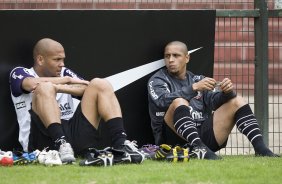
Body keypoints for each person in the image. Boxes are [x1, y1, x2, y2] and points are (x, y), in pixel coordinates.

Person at [9, 38, 144, 164]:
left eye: (63, 59)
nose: (62, 64)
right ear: (40, 59)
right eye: (57, 60)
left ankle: (121, 143)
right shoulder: (20, 72)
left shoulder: (64, 72)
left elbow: (88, 87)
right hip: (41, 141)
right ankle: (60, 142)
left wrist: (59, 87)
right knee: (44, 87)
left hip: (73, 136)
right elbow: (31, 84)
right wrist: (66, 81)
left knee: (100, 83)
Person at [147, 41, 278, 160]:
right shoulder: (158, 80)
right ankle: (199, 148)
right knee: (179, 101)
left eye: (176, 55)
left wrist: (227, 92)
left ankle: (261, 149)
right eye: (167, 56)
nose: (171, 60)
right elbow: (161, 101)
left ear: (187, 58)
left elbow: (216, 101)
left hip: (204, 137)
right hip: (172, 140)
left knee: (236, 100)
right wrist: (193, 88)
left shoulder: (198, 79)